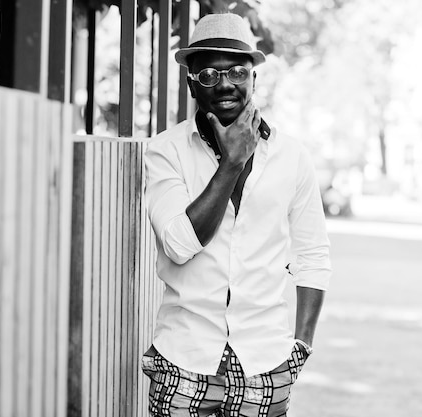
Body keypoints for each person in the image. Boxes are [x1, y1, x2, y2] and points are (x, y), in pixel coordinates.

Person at [142, 13, 332, 417]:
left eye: (236, 72)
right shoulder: (165, 152)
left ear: (253, 77)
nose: (225, 83)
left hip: (266, 364)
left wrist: (300, 347)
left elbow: (313, 255)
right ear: (191, 79)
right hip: (184, 362)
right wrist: (231, 164)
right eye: (209, 73)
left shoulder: (292, 156)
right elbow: (177, 245)